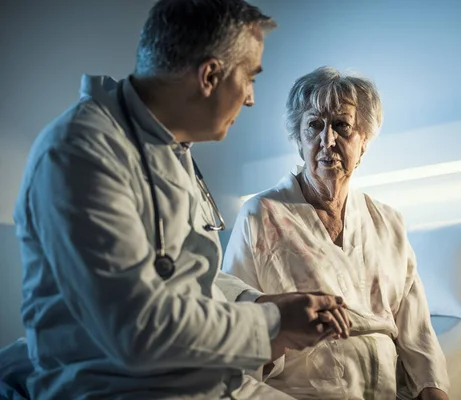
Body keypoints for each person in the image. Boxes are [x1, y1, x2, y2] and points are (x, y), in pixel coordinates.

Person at [11, 1, 351, 399]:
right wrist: (272, 321)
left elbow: (176, 268)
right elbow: (137, 330)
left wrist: (255, 298)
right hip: (124, 388)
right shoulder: (80, 154)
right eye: (250, 78)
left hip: (201, 376)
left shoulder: (169, 147)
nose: (250, 98)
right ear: (209, 75)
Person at [222, 66, 451, 400]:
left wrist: (433, 390)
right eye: (314, 125)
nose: (327, 140)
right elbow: (240, 327)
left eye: (342, 126)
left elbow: (418, 333)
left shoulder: (388, 223)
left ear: (364, 141)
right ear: (299, 139)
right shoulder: (262, 214)